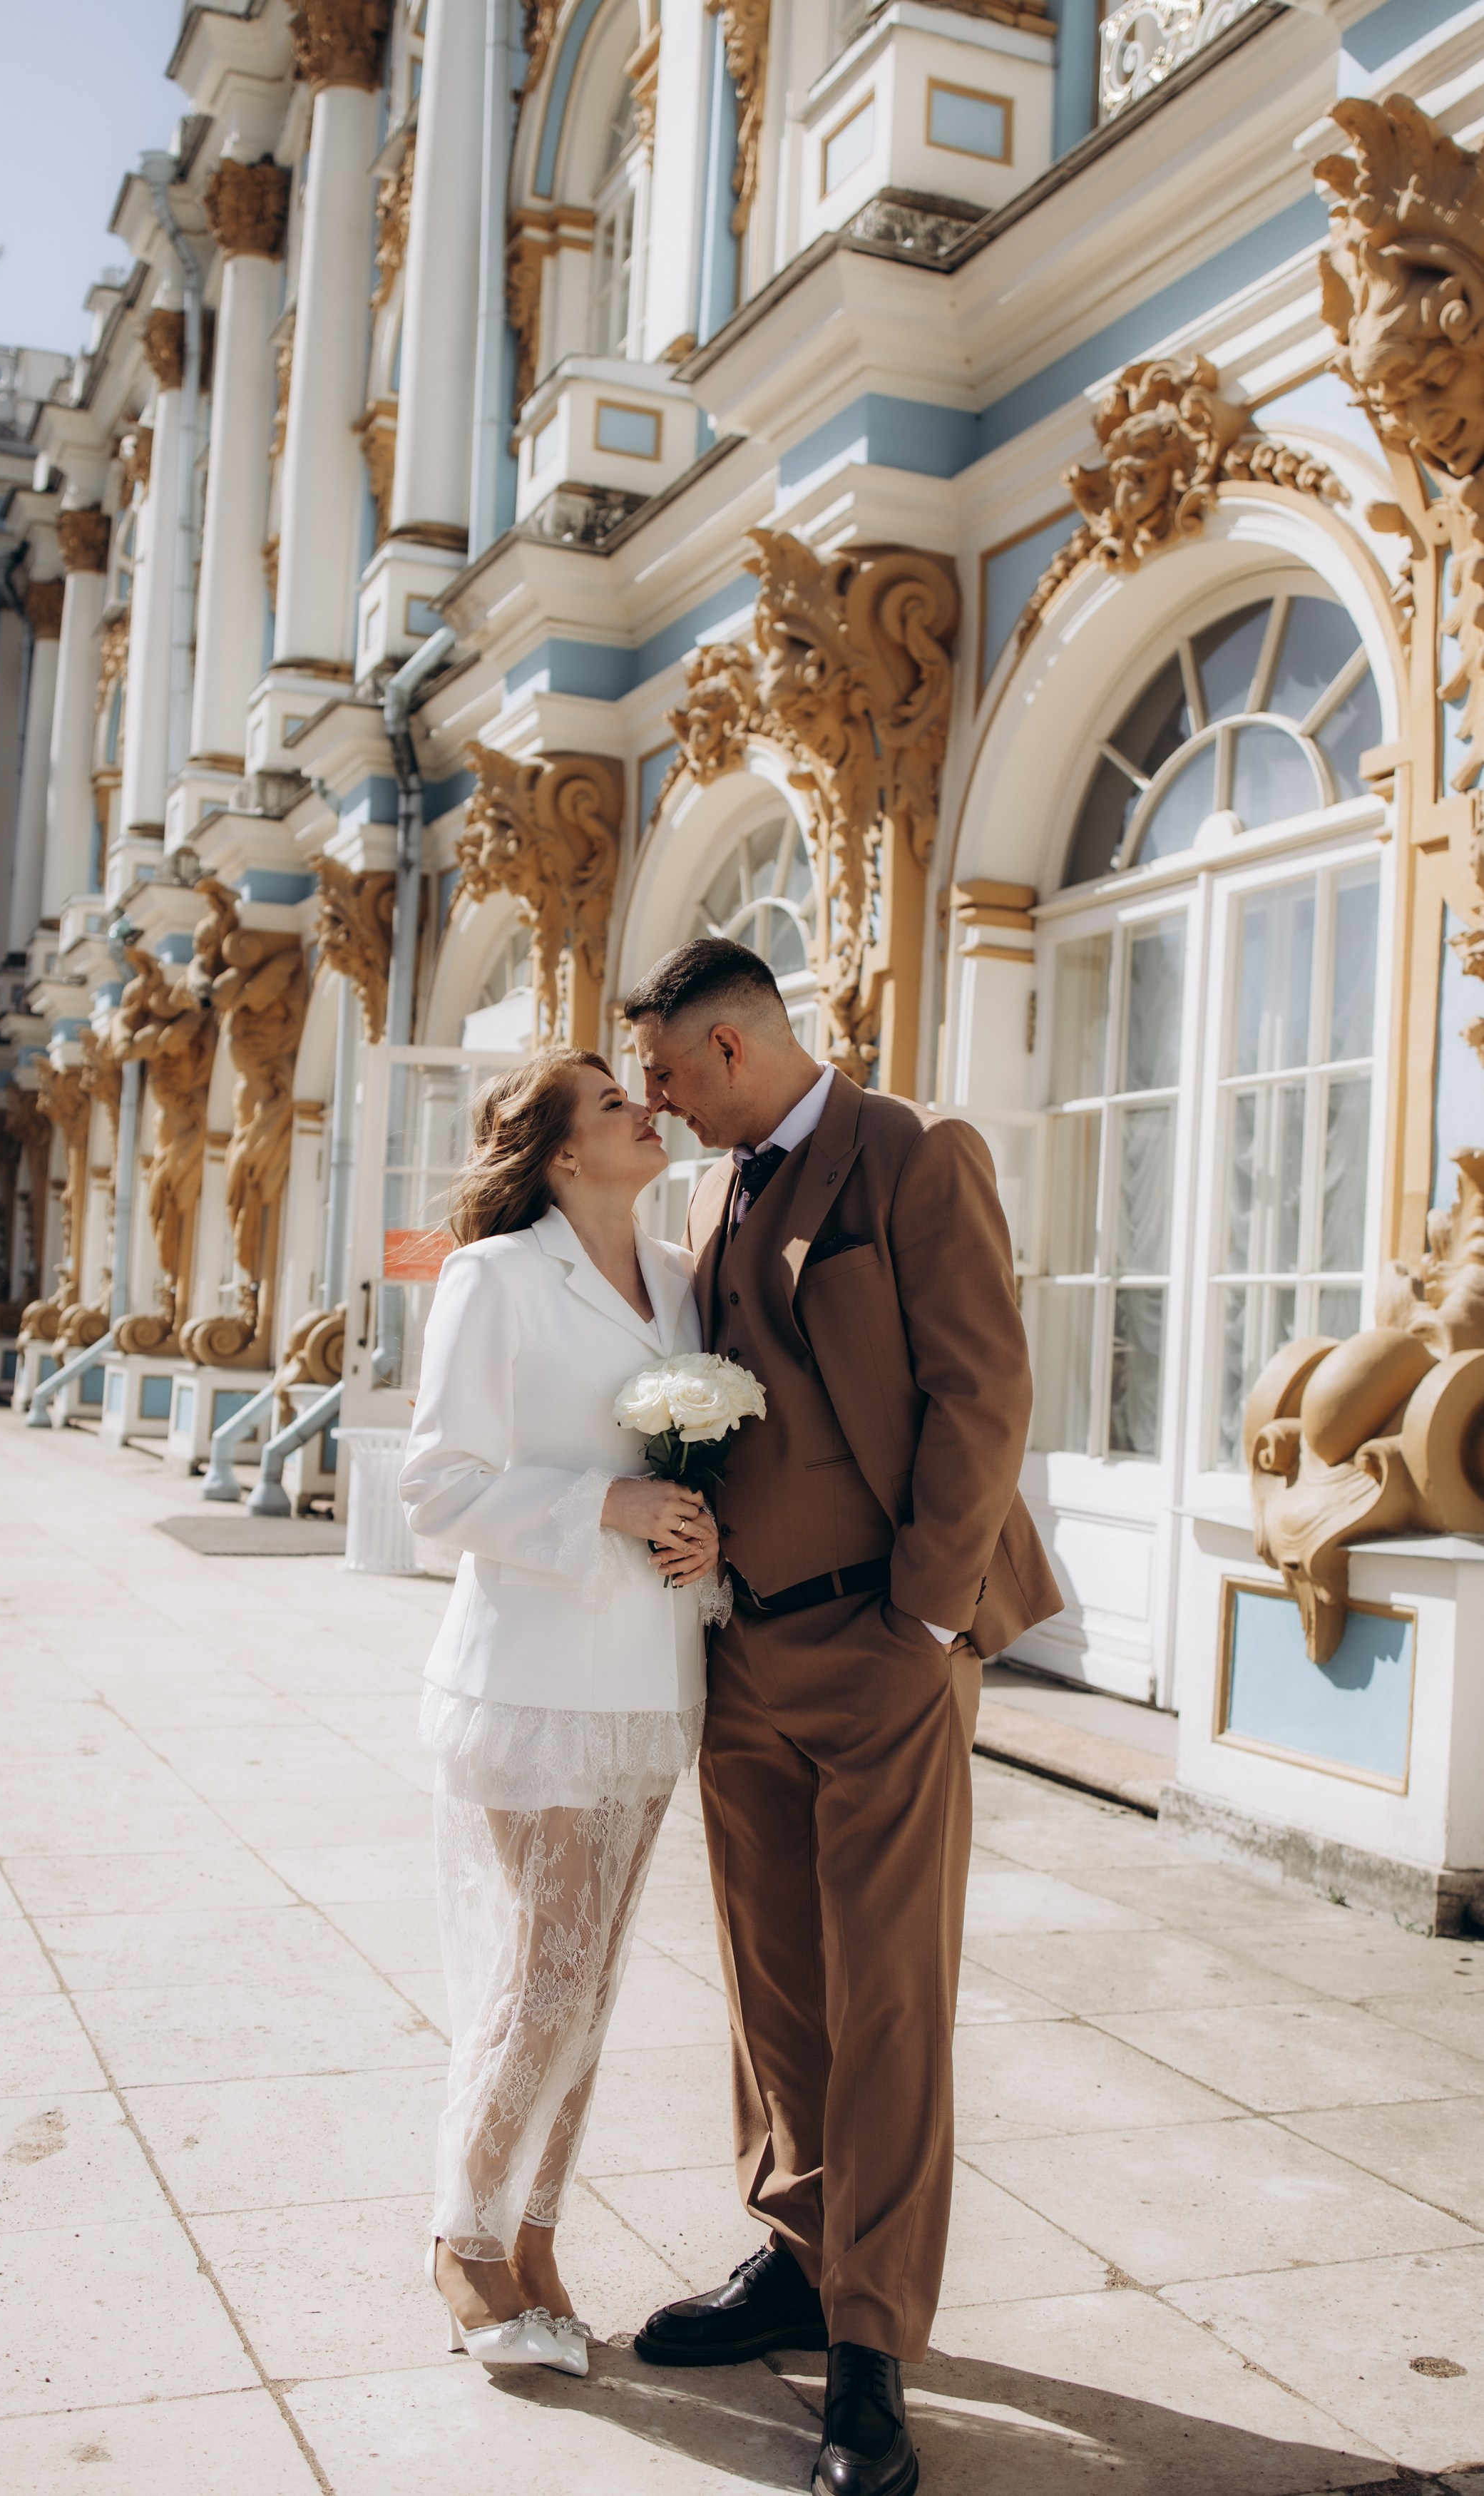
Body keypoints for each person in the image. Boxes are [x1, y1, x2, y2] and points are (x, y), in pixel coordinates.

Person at [623, 938, 1061, 2496]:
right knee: (774, 1986)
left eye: (665, 1073)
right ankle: (798, 2256)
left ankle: (871, 2341)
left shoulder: (914, 1152)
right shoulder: (707, 1193)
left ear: (732, 1048)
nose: (653, 1103)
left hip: (885, 1641)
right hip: (744, 1648)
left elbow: (982, 1394)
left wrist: (923, 1623)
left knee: (885, 1998)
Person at [399, 1048, 722, 2377]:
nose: (645, 1109)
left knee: (591, 1987)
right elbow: (435, 1485)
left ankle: (534, 2240)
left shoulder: (684, 1281)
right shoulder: (494, 1277)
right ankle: (462, 2240)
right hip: (530, 1677)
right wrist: (605, 1503)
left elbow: (690, 1461)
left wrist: (701, 1533)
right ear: (560, 1153)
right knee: (544, 1980)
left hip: (653, 1675)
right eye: (611, 1102)